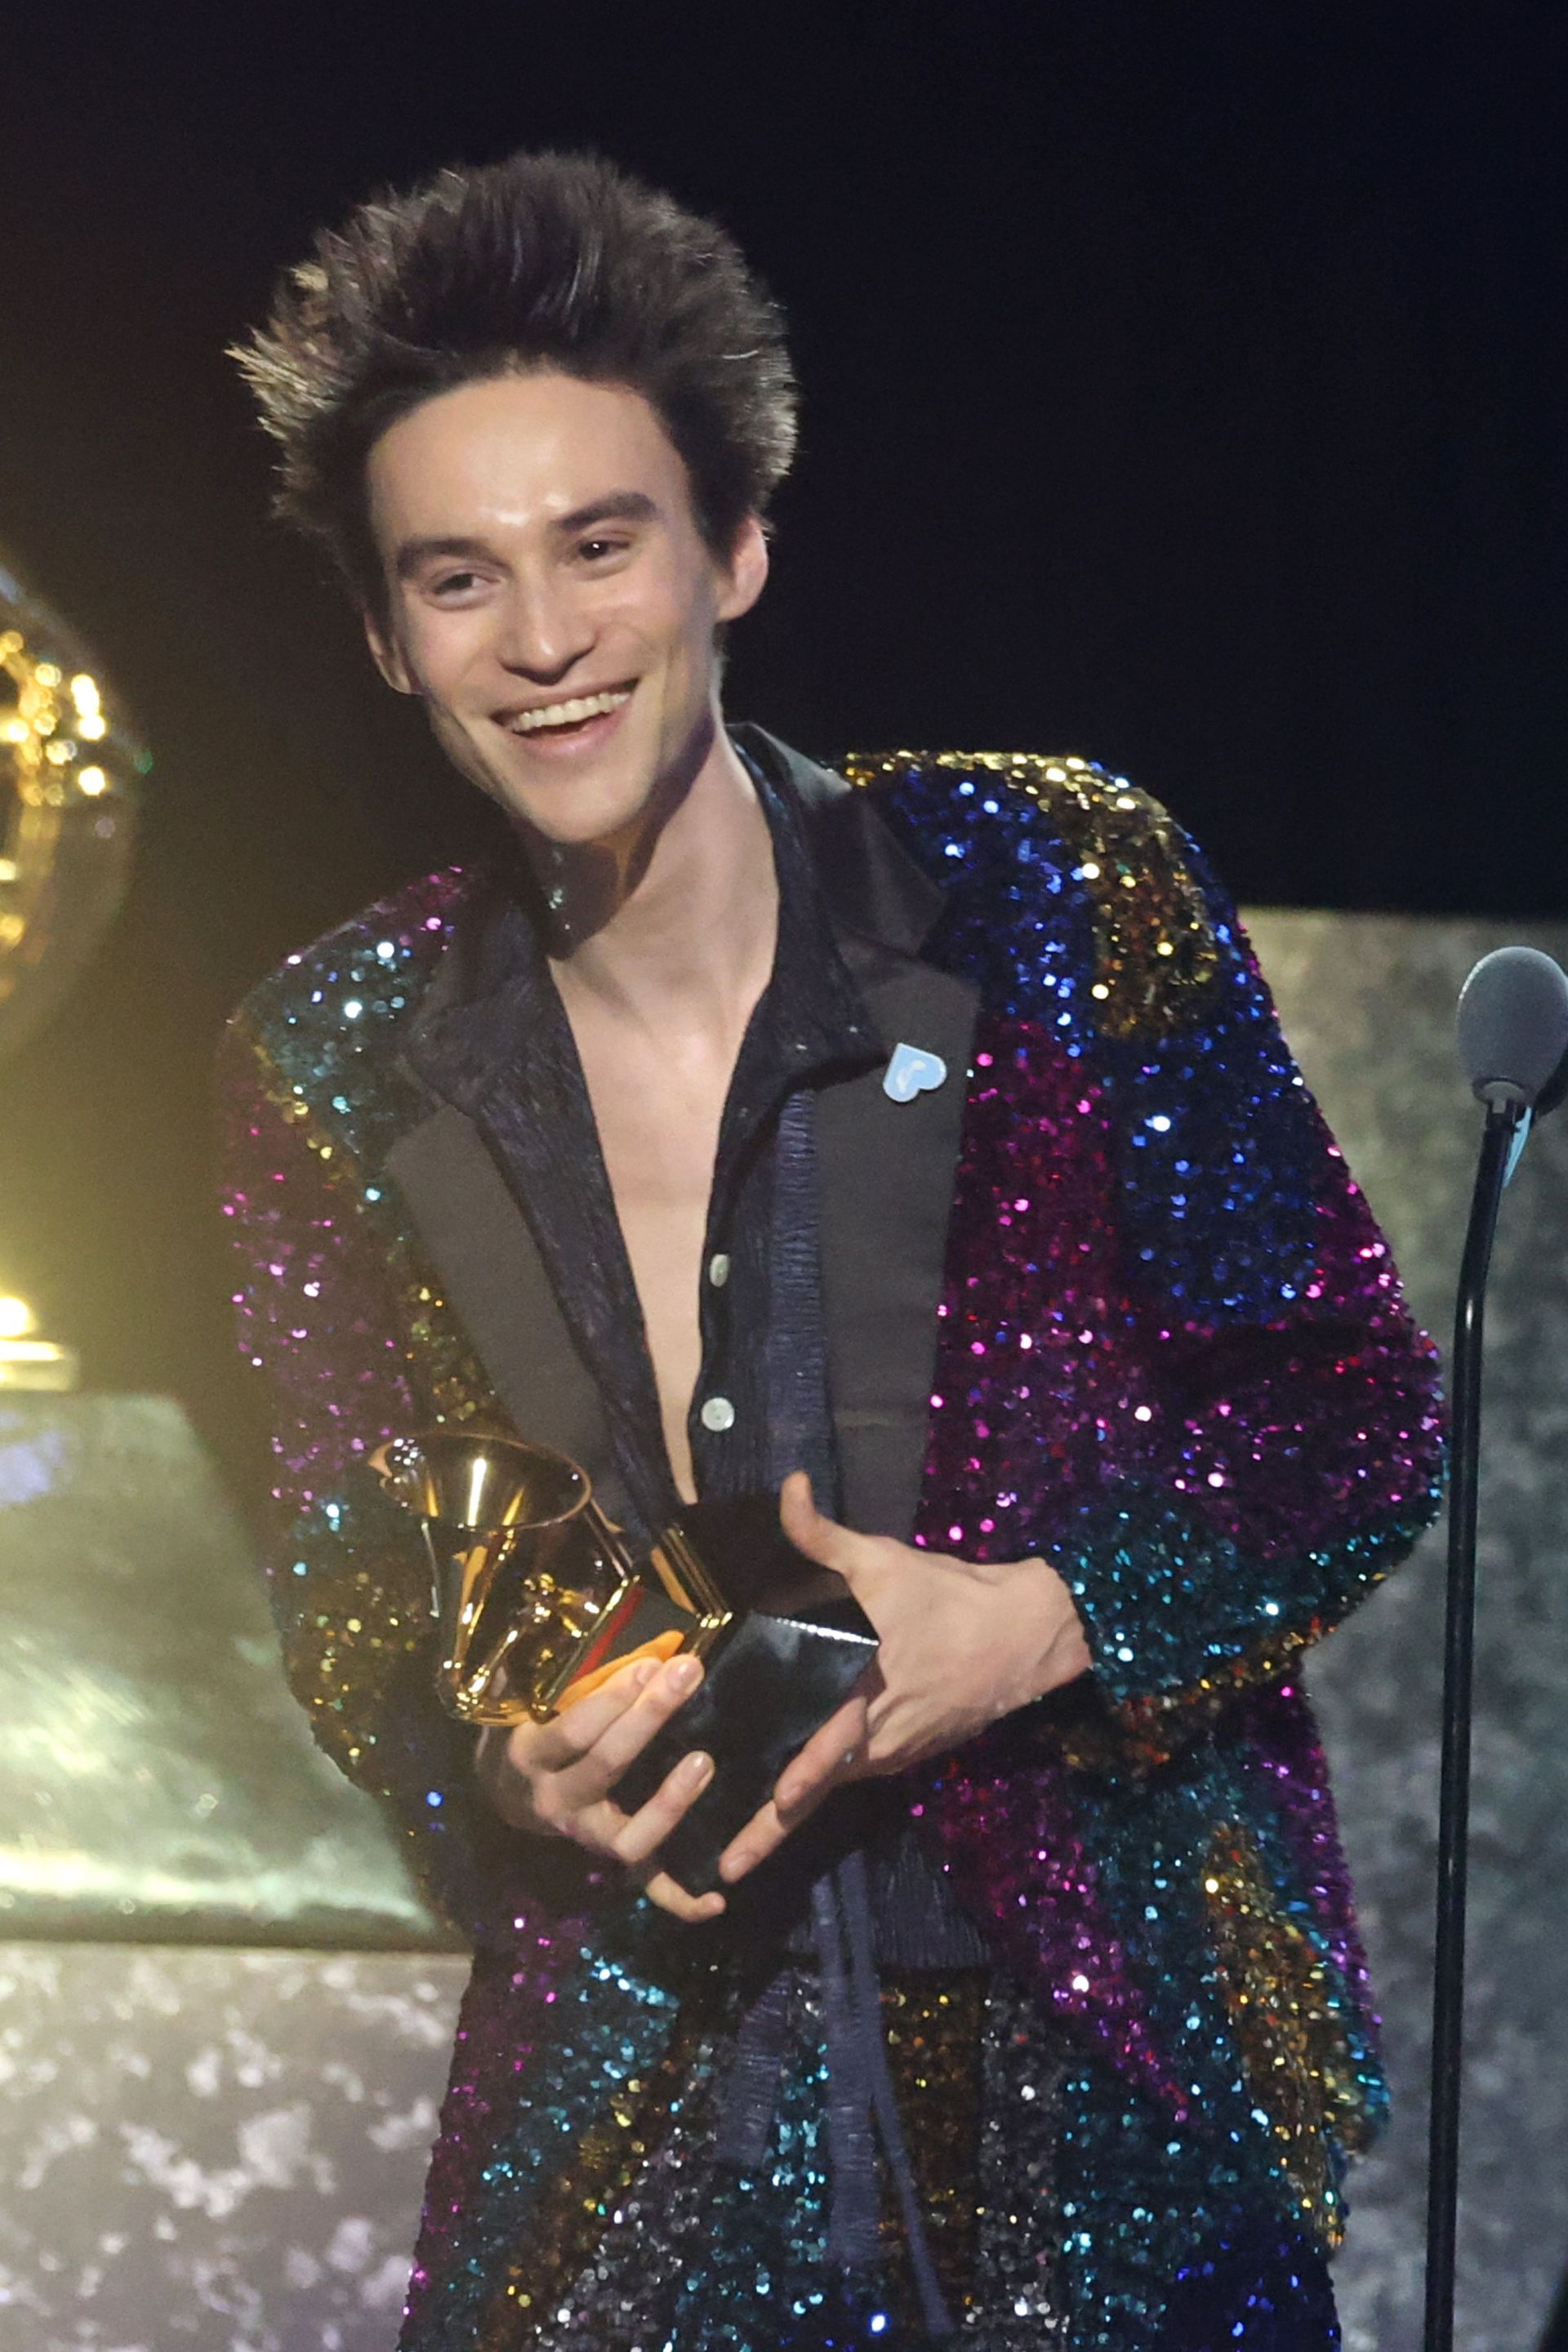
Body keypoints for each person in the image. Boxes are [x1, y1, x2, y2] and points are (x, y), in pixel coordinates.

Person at [223, 148, 1444, 2351]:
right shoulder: (335, 1053)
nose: (547, 637)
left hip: (1104, 2098)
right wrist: (487, 1752)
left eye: (602, 545)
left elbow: (1350, 1418)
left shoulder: (1050, 884)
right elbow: (350, 1578)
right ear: (389, 639)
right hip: (635, 2118)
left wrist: (1042, 1623)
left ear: (738, 546)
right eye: (460, 578)